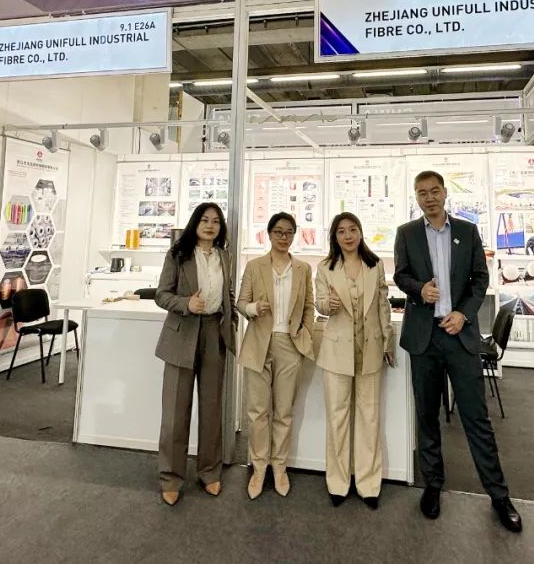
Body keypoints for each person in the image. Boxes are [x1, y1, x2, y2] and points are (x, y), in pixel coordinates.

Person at [394, 170, 521, 533]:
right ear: (416, 197)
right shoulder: (407, 233)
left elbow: (480, 278)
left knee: (476, 417)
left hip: (460, 336)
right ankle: (433, 484)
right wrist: (419, 289)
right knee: (427, 415)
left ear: (445, 193)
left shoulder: (467, 231)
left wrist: (463, 314)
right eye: (422, 193)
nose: (429, 198)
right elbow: (401, 275)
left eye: (434, 191)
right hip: (424, 338)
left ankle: (499, 494)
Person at [154, 203, 237, 505]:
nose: (210, 225)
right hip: (183, 334)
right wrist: (186, 304)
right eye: (204, 220)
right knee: (176, 412)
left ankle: (209, 472)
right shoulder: (178, 254)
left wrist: (231, 318)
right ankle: (171, 477)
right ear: (195, 223)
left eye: (216, 221)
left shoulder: (224, 256)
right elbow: (162, 295)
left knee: (212, 410)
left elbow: (228, 294)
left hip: (214, 333)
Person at [314, 212, 395, 509]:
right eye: (341, 231)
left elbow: (383, 305)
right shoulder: (325, 267)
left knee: (369, 417)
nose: (347, 236)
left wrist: (388, 341)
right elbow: (319, 303)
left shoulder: (375, 265)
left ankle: (369, 484)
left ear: (361, 233)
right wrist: (329, 304)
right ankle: (337, 483)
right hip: (337, 353)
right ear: (334, 237)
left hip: (370, 350)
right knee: (337, 418)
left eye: (352, 230)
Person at [237, 212, 315, 499]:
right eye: (278, 232)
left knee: (284, 411)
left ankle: (279, 467)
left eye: (289, 232)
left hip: (289, 345)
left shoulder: (303, 269)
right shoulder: (255, 266)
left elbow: (309, 307)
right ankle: (259, 467)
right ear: (269, 234)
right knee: (258, 411)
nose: (284, 237)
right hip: (259, 342)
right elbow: (240, 303)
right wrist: (253, 308)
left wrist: (304, 334)